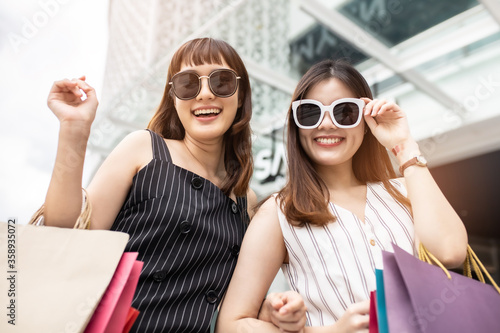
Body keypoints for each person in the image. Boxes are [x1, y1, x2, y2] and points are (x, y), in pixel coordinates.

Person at [40, 37, 305, 333]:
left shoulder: (247, 200)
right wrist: (74, 131)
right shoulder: (144, 149)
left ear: (241, 96)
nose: (205, 94)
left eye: (222, 82)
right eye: (188, 84)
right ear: (173, 97)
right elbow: (65, 236)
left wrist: (270, 309)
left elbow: (236, 305)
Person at [216, 59, 468, 332]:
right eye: (311, 113)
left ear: (365, 121)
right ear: (296, 125)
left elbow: (450, 252)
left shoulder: (405, 190)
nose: (326, 124)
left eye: (345, 112)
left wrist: (404, 146)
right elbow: (231, 324)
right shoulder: (279, 213)